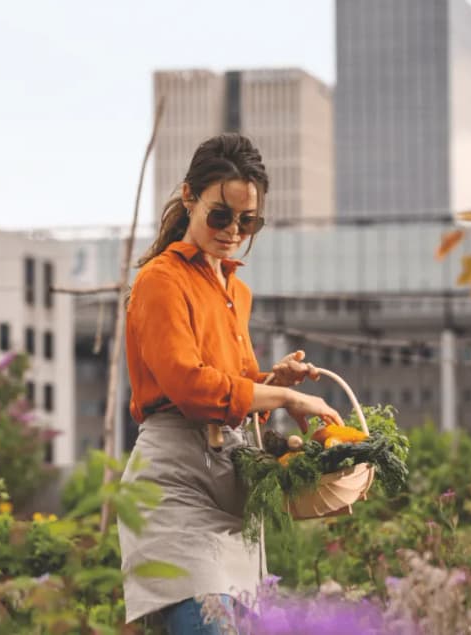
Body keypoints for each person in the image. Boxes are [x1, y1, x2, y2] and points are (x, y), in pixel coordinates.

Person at [118, 133, 344, 634]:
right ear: (188, 197)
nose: (233, 231)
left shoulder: (236, 291)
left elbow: (233, 392)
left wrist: (269, 382)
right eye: (221, 215)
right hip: (174, 487)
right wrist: (285, 395)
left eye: (248, 221)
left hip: (230, 491)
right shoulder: (160, 280)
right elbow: (191, 388)